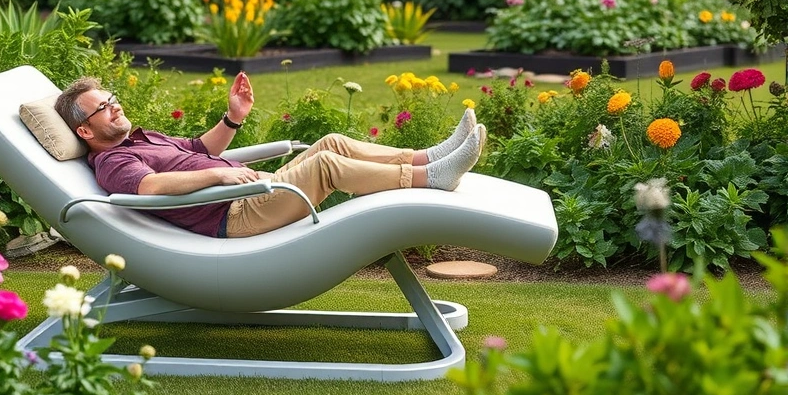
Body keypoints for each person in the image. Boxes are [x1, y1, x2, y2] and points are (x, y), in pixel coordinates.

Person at [55, 72, 486, 239]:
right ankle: (433, 179)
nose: (115, 105)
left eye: (112, 98)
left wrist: (233, 117)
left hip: (252, 192)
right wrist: (217, 178)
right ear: (85, 130)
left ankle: (428, 157)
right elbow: (150, 187)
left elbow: (201, 149)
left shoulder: (140, 140)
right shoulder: (113, 162)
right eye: (102, 106)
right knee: (326, 165)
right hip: (235, 213)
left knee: (332, 142)